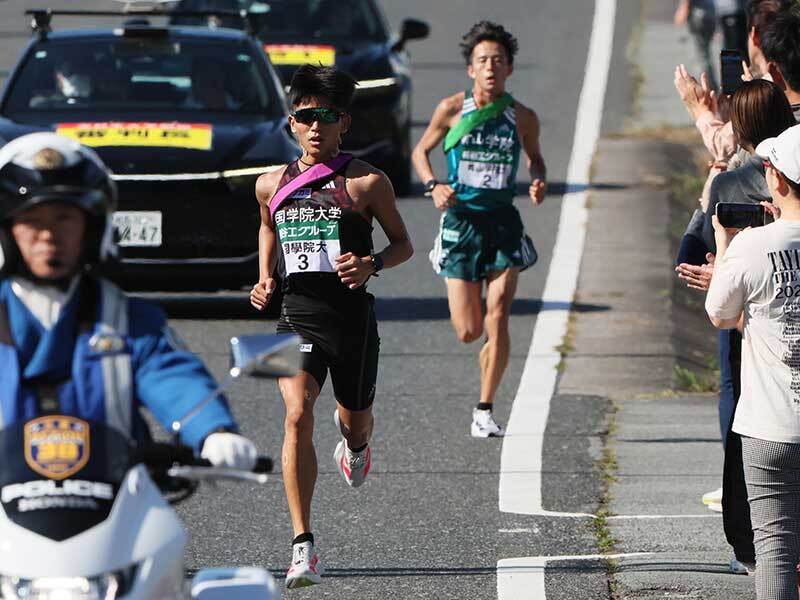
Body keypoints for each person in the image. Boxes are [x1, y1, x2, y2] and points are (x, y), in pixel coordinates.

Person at [0, 131, 258, 468]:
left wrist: (213, 429)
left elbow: (170, 374)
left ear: (92, 229)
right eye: (32, 221)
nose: (49, 235)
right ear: (6, 231)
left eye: (64, 219)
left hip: (116, 498)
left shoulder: (127, 319)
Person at [249, 64, 413, 589]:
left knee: (354, 421)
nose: (315, 127)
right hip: (295, 316)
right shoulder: (270, 183)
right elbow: (267, 228)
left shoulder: (366, 182)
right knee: (297, 414)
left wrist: (373, 266)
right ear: (291, 122)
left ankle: (358, 447)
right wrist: (263, 280)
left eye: (326, 116)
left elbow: (403, 244)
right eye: (305, 116)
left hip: (351, 320)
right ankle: (303, 547)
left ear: (344, 121)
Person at [676, 78, 795, 573]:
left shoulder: (730, 189)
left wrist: (722, 255)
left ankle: (743, 545)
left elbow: (711, 295)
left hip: (760, 380)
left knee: (771, 541)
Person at [411, 21, 545, 438]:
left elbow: (535, 157)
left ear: (509, 69)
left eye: (498, 61)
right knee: (469, 331)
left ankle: (484, 408)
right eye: (483, 61)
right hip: (460, 224)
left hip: (503, 223)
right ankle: (486, 358)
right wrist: (434, 186)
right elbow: (420, 151)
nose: (490, 68)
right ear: (471, 70)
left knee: (499, 312)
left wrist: (538, 177)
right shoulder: (452, 109)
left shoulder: (522, 116)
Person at [706, 122, 800, 600]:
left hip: (770, 423)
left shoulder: (754, 245)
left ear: (777, 181)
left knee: (775, 548)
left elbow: (720, 314)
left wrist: (725, 242)